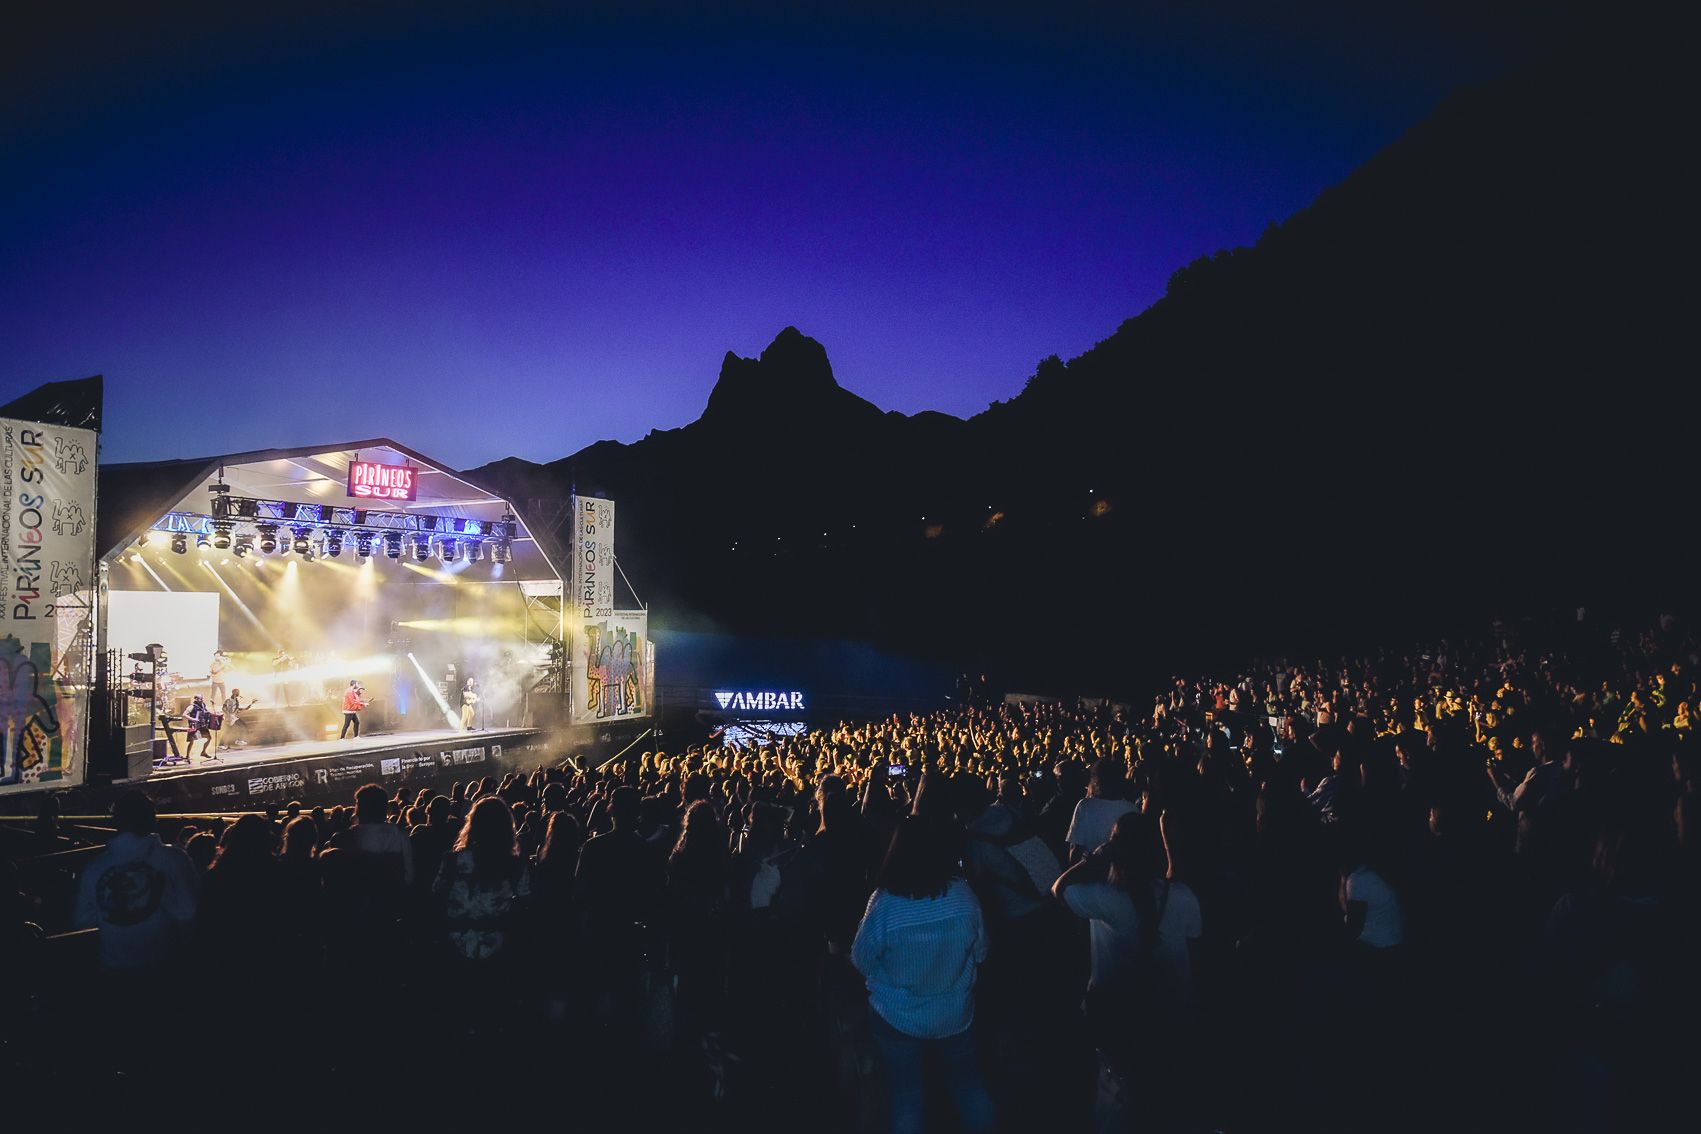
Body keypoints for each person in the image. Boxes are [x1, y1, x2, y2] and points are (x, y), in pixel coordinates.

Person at [851, 816, 996, 1134]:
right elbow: (982, 951)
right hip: (954, 1012)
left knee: (906, 1098)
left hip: (897, 1015)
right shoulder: (963, 896)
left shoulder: (885, 904)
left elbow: (861, 959)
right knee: (969, 1087)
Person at [74, 791, 201, 971]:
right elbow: (190, 913)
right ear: (152, 819)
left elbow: (82, 920)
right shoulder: (175, 859)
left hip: (115, 969)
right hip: (168, 966)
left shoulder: (94, 868)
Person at [1065, 755, 1138, 859]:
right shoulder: (1132, 809)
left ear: (1097, 780)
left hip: (1090, 867)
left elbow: (1075, 849)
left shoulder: (1085, 806)